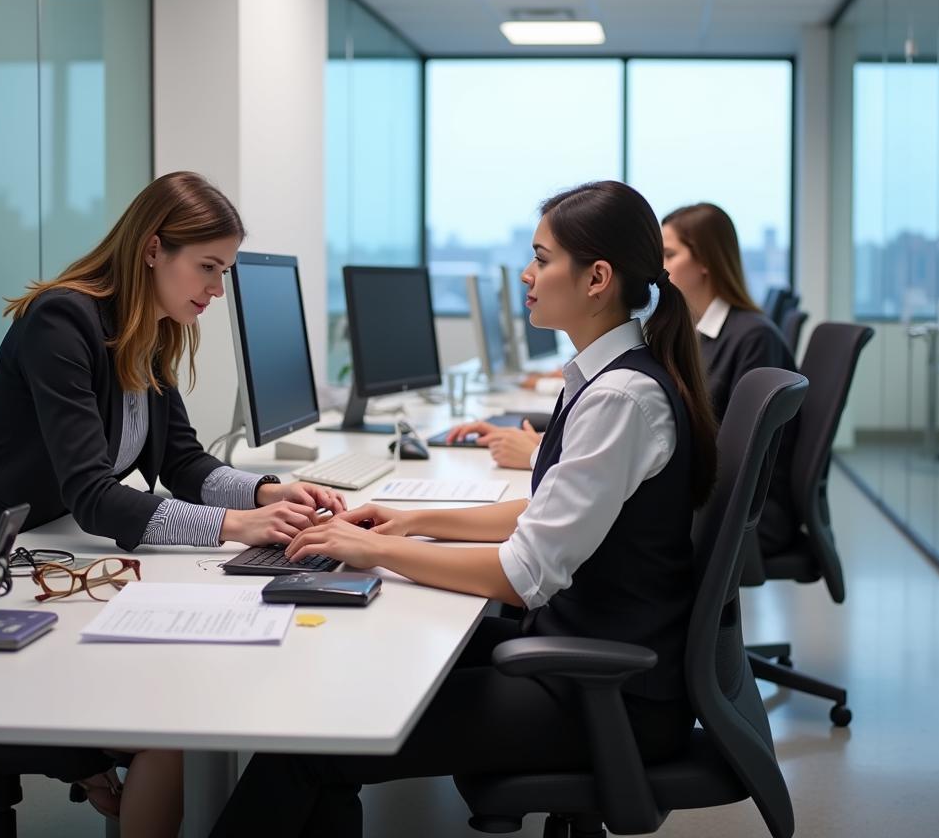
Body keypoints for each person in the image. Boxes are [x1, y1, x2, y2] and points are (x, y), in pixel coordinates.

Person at [210, 180, 720, 838]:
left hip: (607, 694)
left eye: (541, 259)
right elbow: (543, 513)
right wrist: (408, 523)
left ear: (597, 277)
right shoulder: (607, 378)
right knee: (359, 663)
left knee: (314, 744)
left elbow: (521, 573)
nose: (528, 277)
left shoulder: (620, 397)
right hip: (583, 652)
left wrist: (375, 551)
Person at [0, 171, 347, 834]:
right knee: (164, 720)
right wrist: (240, 525)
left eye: (225, 272)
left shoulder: (148, 328)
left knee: (172, 707)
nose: (216, 290)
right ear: (153, 250)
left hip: (64, 552)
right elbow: (94, 496)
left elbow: (184, 464)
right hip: (11, 568)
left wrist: (269, 492)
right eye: (208, 269)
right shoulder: (62, 320)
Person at [660, 201, 798, 554]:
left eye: (669, 255)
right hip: (712, 498)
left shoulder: (753, 337)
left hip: (745, 514)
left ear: (705, 261)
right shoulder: (697, 332)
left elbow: (740, 454)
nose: (658, 268)